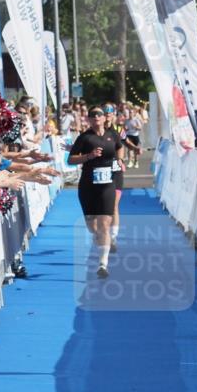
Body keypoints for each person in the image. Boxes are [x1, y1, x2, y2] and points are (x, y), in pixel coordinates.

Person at [68, 106, 122, 278]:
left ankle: (103, 264)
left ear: (104, 118)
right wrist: (88, 156)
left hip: (108, 184)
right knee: (93, 226)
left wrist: (119, 160)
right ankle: (97, 237)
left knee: (105, 223)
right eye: (92, 115)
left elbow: (119, 146)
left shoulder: (112, 134)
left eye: (99, 114)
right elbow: (70, 159)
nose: (96, 117)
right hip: (88, 185)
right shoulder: (85, 138)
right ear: (89, 119)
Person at [103, 104, 129, 252]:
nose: (107, 115)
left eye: (109, 113)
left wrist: (121, 159)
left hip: (116, 171)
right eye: (104, 113)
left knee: (113, 206)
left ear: (113, 115)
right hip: (100, 171)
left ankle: (113, 237)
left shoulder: (119, 130)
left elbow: (124, 145)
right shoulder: (96, 131)